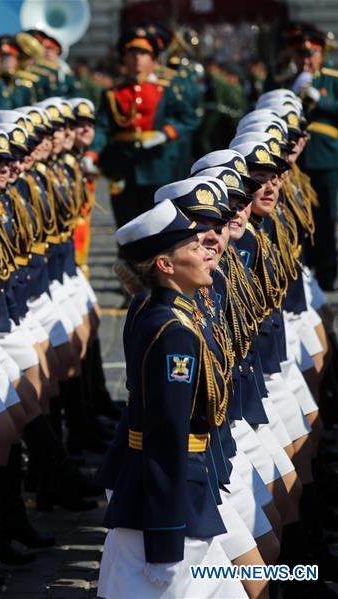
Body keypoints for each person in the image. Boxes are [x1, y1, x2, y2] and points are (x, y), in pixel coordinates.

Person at [98, 199, 245, 598]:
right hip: (170, 507)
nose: (207, 253)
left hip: (182, 492)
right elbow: (166, 436)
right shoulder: (175, 333)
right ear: (166, 265)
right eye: (194, 249)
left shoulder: (161, 309)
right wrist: (164, 541)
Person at [90, 28, 195, 228]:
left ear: (154, 61)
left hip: (157, 165)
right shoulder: (113, 94)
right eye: (132, 54)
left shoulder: (165, 90)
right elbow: (103, 128)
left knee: (157, 224)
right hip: (123, 167)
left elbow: (188, 118)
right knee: (126, 223)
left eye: (143, 54)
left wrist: (166, 134)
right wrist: (91, 154)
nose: (137, 59)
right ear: (124, 59)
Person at [284, 25, 338, 290]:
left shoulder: (334, 79)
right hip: (293, 160)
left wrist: (318, 100)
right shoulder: (282, 79)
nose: (306, 60)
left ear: (321, 54)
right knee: (295, 219)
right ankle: (302, 272)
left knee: (326, 218)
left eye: (311, 54)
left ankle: (327, 274)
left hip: (325, 157)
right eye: (301, 54)